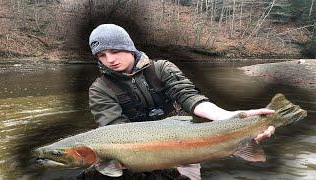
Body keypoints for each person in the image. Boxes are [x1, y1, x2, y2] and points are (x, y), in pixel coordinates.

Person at [88, 24, 275, 179]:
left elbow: (190, 98)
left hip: (185, 146)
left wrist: (229, 117)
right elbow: (113, 131)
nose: (110, 60)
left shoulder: (162, 68)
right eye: (101, 55)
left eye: (114, 51)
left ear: (129, 47)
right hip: (137, 157)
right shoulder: (100, 89)